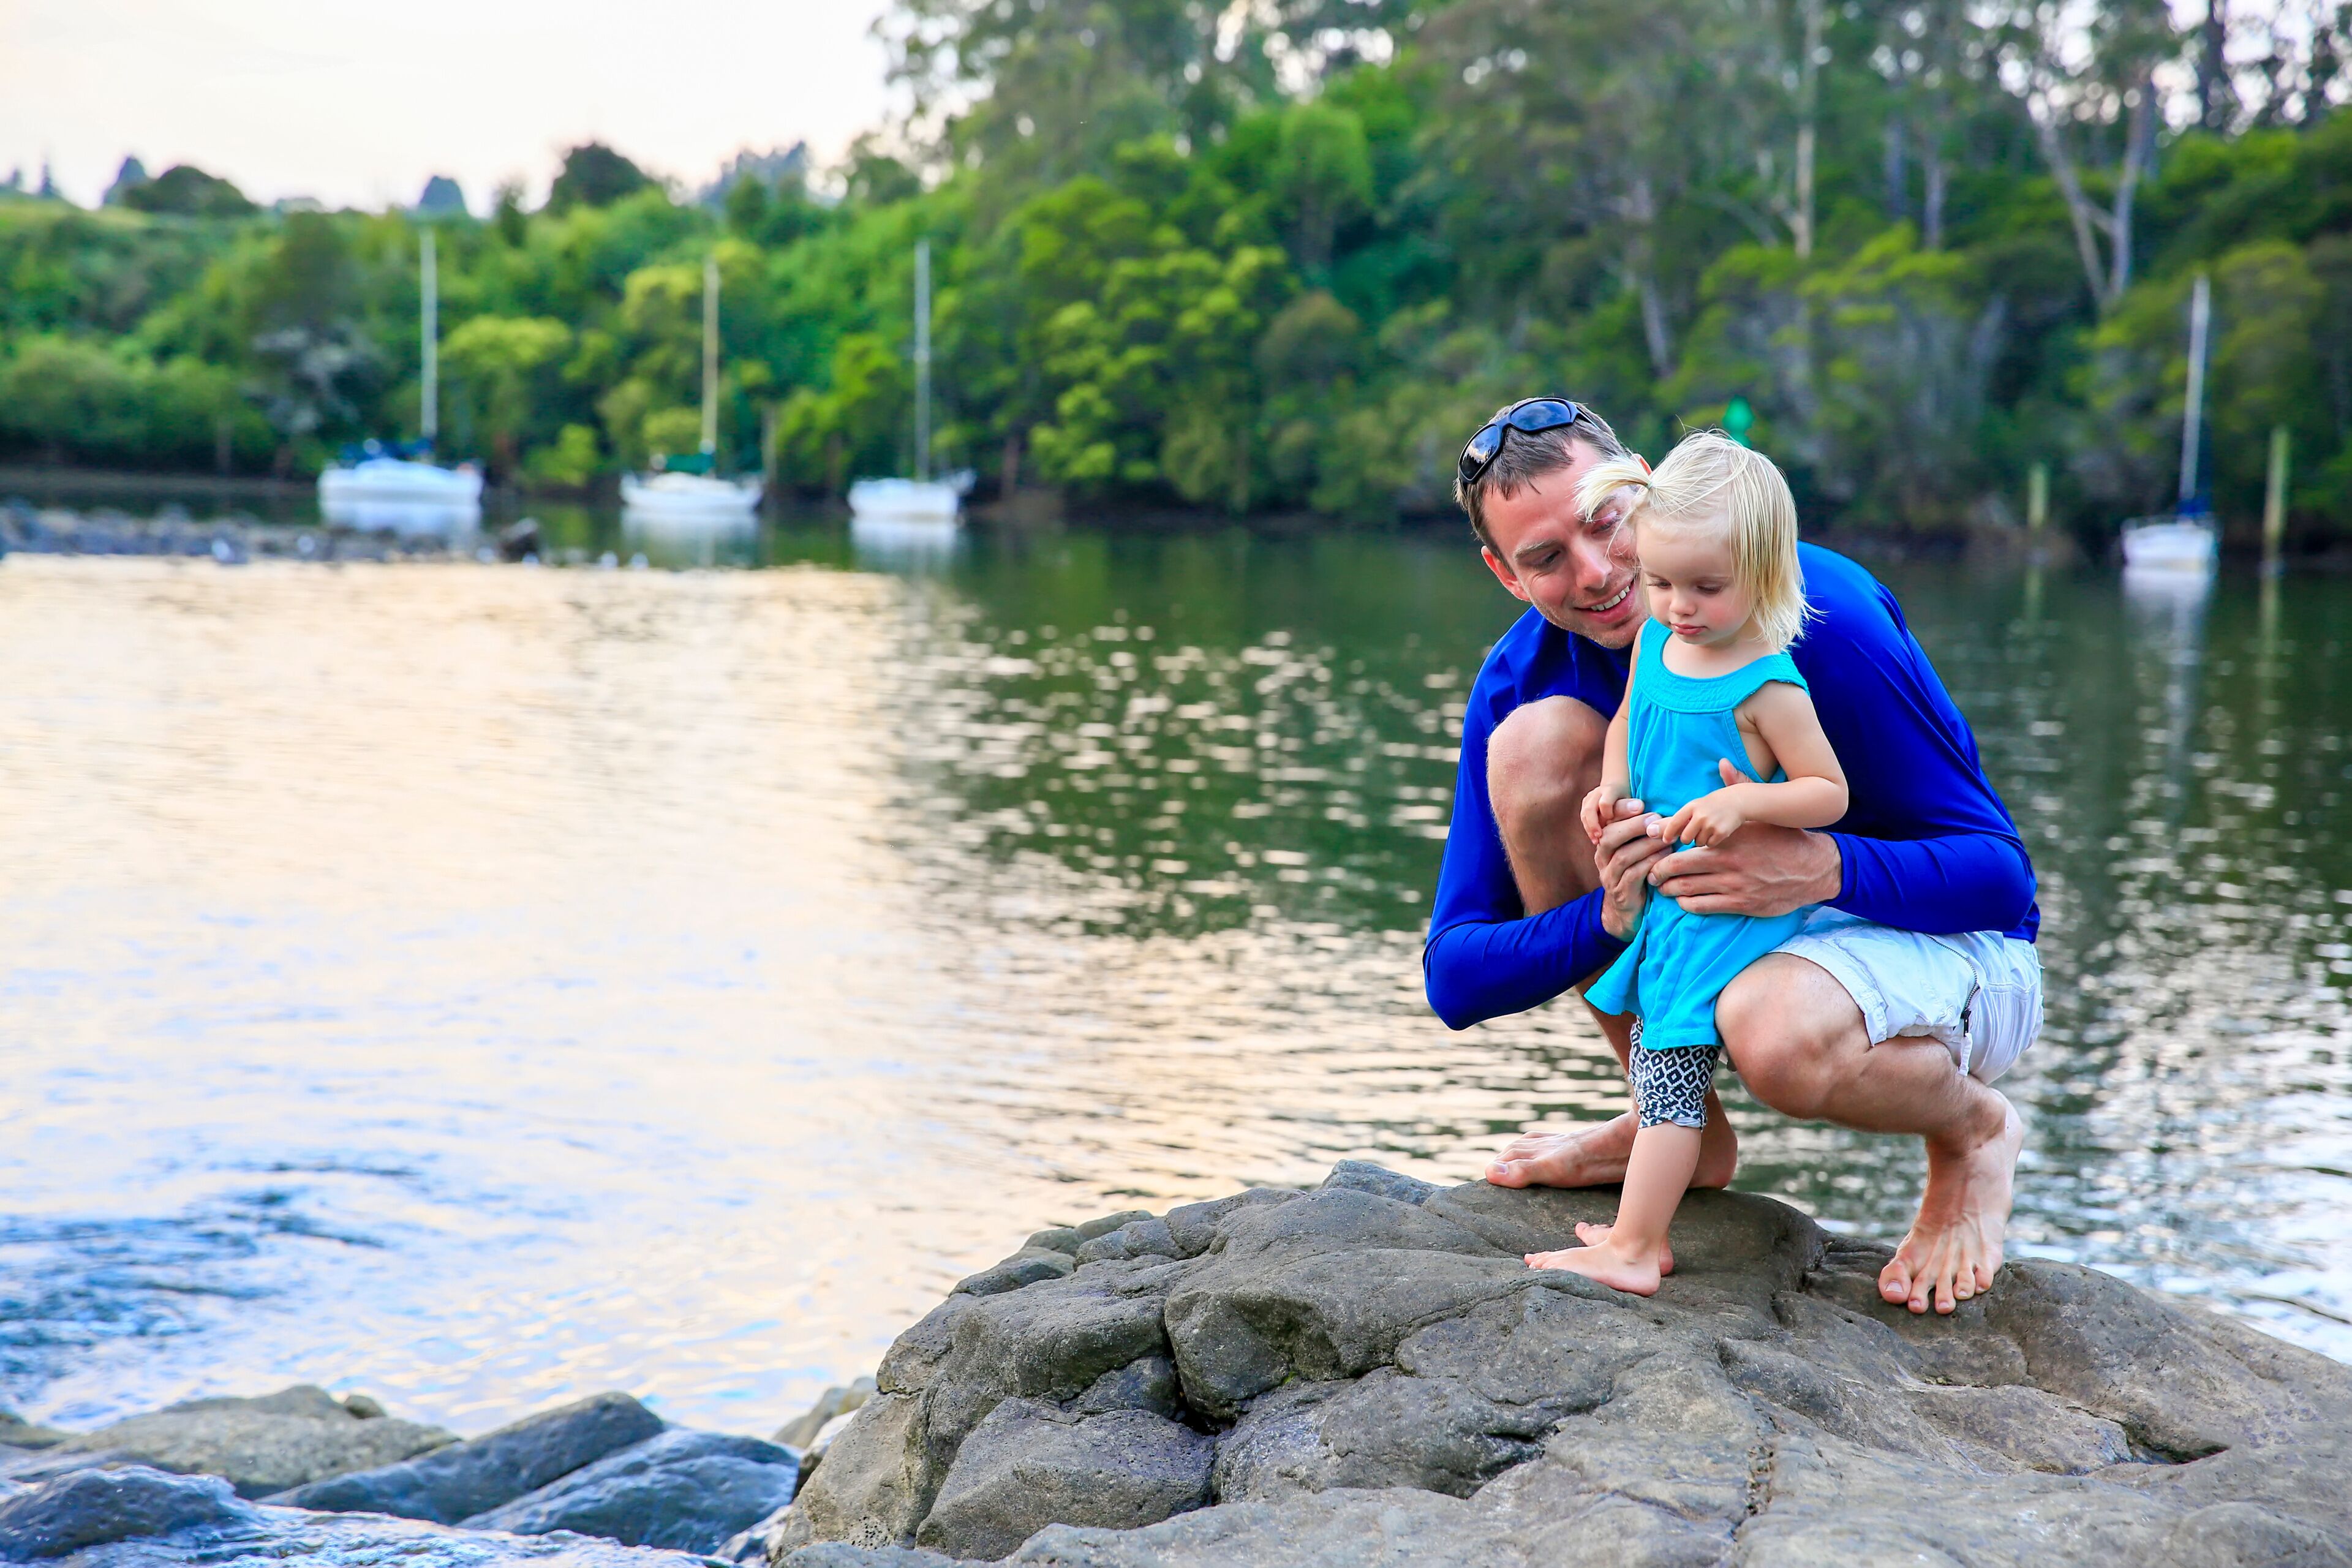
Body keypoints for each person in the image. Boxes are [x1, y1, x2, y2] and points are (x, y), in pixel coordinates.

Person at [1426, 398, 2043, 1315]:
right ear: (1506, 576)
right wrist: (1604, 915)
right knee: (1535, 747)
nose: (1597, 573)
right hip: (1713, 940)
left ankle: (1973, 1132)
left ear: (1642, 487)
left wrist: (1820, 867)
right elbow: (1455, 977)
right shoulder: (1525, 679)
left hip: (1958, 958)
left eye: (1605, 523)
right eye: (1546, 559)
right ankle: (1677, 1122)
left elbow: (2004, 883)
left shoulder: (1816, 617)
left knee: (1774, 1033)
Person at [1521, 432, 1848, 1294]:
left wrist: (1747, 802)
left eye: (1707, 588)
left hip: (1724, 906)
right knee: (1657, 1064)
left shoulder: (1767, 686)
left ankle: (1635, 1249)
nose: (1679, 606)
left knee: (1667, 1070)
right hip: (1667, 898)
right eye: (1662, 583)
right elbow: (1631, 715)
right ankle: (1643, 1227)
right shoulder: (1657, 642)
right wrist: (1611, 783)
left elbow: (1826, 792)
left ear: (1767, 576)